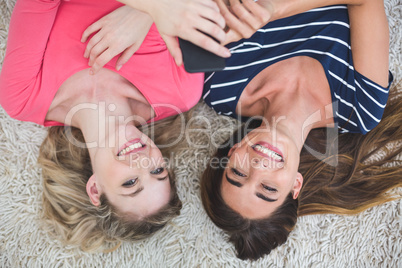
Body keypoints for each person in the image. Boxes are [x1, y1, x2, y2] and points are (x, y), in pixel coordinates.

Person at [0, 0, 224, 251]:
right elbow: (210, 8)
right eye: (158, 172)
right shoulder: (181, 93)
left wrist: (151, 9)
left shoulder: (23, 97)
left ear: (95, 188)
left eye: (130, 183)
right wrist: (147, 12)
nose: (143, 161)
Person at [200, 0, 402, 261]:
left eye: (238, 173)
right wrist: (274, 10)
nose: (259, 166)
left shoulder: (220, 85)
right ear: (296, 184)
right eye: (268, 189)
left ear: (231, 153)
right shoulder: (361, 108)